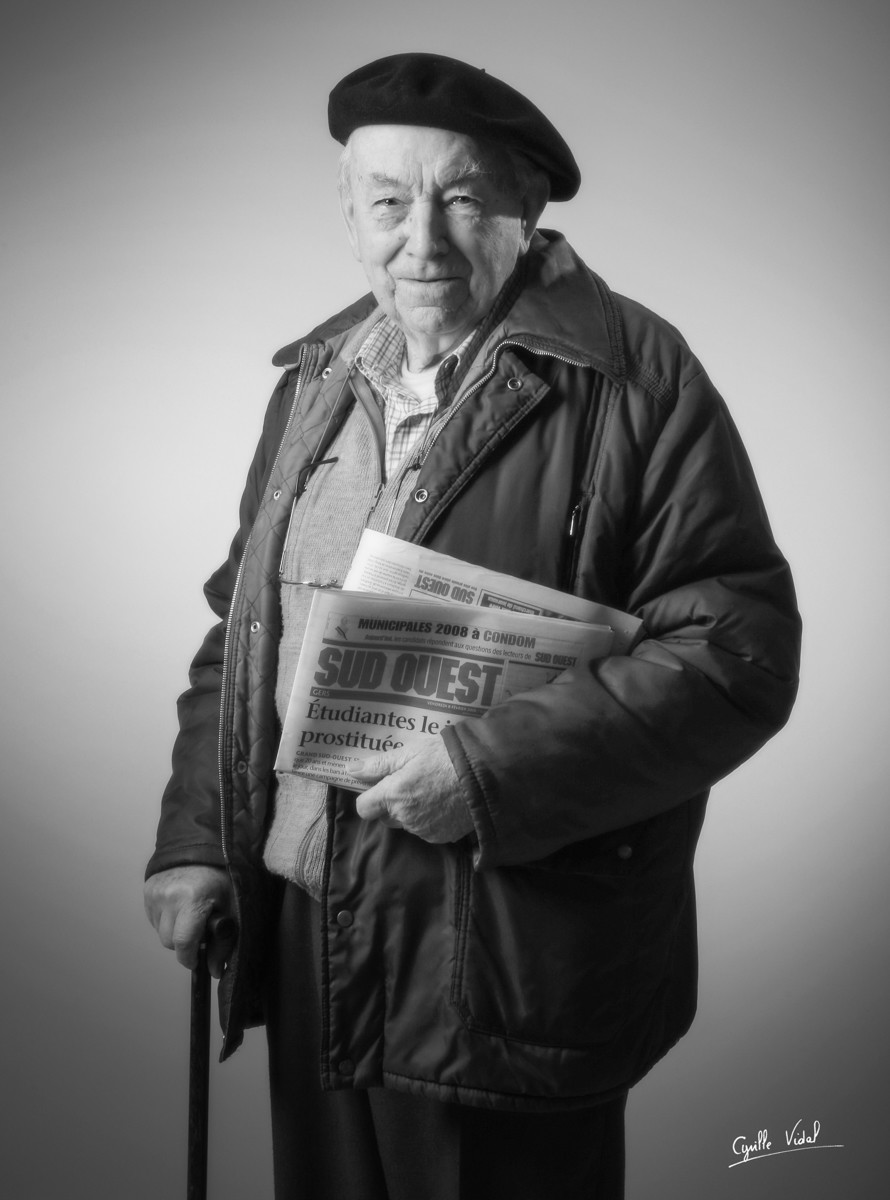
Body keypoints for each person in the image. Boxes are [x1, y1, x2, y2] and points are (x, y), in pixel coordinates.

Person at [144, 52, 801, 1200]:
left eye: (462, 199)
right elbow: (242, 633)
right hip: (307, 926)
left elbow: (736, 654)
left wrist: (485, 770)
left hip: (502, 954)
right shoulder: (314, 381)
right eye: (388, 203)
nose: (422, 240)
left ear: (524, 213)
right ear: (347, 215)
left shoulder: (634, 375)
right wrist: (200, 839)